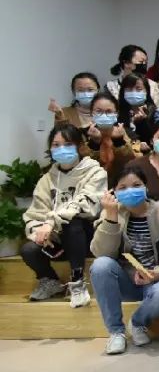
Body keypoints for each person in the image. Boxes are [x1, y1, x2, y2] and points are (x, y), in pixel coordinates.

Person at [89, 167, 159, 355]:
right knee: (100, 265)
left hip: (156, 279)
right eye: (123, 187)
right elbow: (101, 252)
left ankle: (138, 324)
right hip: (127, 280)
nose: (130, 191)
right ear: (113, 192)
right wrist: (111, 218)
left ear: (146, 187)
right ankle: (116, 332)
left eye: (136, 185)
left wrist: (156, 274)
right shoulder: (110, 213)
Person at [21, 125, 107, 306]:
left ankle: (77, 281)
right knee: (29, 250)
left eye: (68, 144)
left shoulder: (95, 172)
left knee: (72, 223)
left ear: (79, 146)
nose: (61, 149)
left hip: (87, 236)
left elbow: (86, 204)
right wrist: (39, 232)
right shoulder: (47, 179)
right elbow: (35, 213)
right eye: (56, 145)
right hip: (58, 240)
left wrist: (51, 221)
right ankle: (50, 281)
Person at [83, 93, 138, 187]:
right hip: (92, 186)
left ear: (116, 114)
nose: (104, 115)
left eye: (109, 112)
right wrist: (94, 143)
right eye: (99, 111)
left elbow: (131, 164)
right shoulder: (83, 134)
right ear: (92, 113)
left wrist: (119, 141)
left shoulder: (127, 133)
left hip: (122, 185)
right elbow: (84, 167)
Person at [117, 72, 159, 149]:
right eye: (129, 89)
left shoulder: (156, 113)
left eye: (138, 89)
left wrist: (142, 123)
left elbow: (154, 139)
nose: (133, 92)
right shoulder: (117, 113)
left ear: (147, 91)